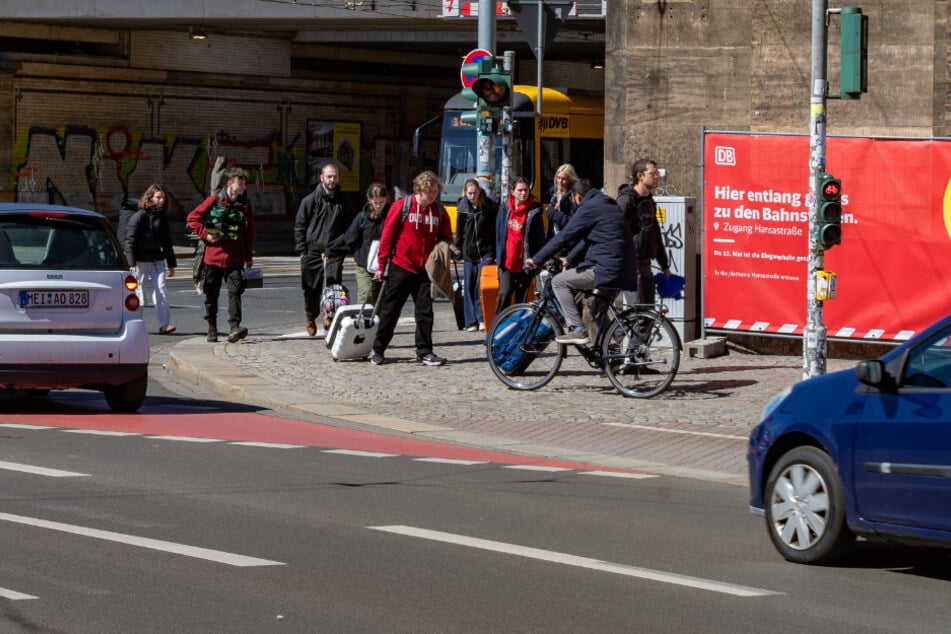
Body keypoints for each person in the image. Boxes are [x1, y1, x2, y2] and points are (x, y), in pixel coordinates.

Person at [525, 178, 636, 345]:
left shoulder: (589, 207)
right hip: (624, 268)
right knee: (594, 308)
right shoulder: (607, 203)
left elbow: (564, 236)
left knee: (559, 282)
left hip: (607, 268)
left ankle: (576, 329)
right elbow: (587, 239)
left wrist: (537, 259)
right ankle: (610, 351)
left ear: (577, 196)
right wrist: (569, 259)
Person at [369, 170, 453, 367]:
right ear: (419, 190)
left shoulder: (439, 211)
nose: (432, 195)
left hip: (424, 270)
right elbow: (387, 237)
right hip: (401, 266)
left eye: (435, 191)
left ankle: (424, 352)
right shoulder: (402, 206)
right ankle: (378, 349)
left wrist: (448, 251)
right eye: (429, 191)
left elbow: (446, 237)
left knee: (425, 312)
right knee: (391, 311)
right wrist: (381, 265)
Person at [186, 166, 255, 343]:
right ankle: (212, 327)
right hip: (213, 258)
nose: (244, 187)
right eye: (241, 183)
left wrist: (248, 256)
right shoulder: (214, 200)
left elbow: (249, 233)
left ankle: (235, 327)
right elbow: (192, 218)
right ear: (230, 183)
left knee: (235, 292)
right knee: (211, 295)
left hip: (235, 259)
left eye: (245, 184)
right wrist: (206, 235)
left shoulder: (245, 205)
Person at [294, 161, 355, 336]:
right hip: (312, 252)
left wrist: (342, 248)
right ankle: (310, 315)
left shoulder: (343, 202)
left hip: (334, 253)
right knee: (311, 289)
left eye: (335, 176)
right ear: (321, 177)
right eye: (329, 176)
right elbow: (300, 226)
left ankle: (331, 325)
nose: (332, 180)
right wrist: (302, 252)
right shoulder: (310, 201)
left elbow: (348, 229)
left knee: (334, 290)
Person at [123, 184, 177, 335]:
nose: (161, 200)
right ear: (150, 197)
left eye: (163, 197)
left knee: (161, 290)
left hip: (157, 260)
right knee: (138, 294)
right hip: (140, 261)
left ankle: (164, 325)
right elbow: (129, 240)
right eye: (158, 197)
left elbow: (167, 242)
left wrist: (171, 264)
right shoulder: (140, 216)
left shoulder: (162, 217)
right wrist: (130, 262)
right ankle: (136, 325)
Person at [616, 159, 671, 306]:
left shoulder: (649, 201)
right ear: (640, 176)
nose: (657, 176)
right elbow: (614, 231)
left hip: (646, 263)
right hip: (630, 263)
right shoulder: (626, 200)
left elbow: (656, 234)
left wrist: (664, 266)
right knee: (637, 311)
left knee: (648, 312)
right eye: (653, 173)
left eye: (657, 173)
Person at [326, 182, 390, 305]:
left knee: (383, 301)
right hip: (364, 266)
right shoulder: (363, 217)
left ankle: (380, 318)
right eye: (375, 202)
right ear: (369, 200)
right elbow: (349, 237)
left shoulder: (391, 216)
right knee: (366, 297)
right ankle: (364, 318)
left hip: (386, 267)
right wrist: (330, 251)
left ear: (386, 199)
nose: (378, 206)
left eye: (381, 202)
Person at [495, 176, 546, 314]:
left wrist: (538, 259)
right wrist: (498, 257)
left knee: (521, 298)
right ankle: (499, 323)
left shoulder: (534, 211)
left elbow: (539, 238)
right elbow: (498, 234)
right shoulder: (504, 208)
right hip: (507, 261)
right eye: (520, 190)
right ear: (512, 191)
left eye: (526, 190)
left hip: (525, 262)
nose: (523, 193)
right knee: (504, 293)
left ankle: (517, 325)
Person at [453, 178, 498, 332]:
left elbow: (495, 229)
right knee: (469, 286)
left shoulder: (489, 206)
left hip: (486, 252)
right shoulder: (463, 207)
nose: (472, 196)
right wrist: (457, 250)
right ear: (465, 193)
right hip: (469, 253)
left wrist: (496, 251)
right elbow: (459, 231)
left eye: (475, 193)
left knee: (481, 285)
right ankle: (470, 321)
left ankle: (482, 318)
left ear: (479, 192)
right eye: (470, 193)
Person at [545, 163, 578, 240]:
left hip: (567, 238)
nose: (560, 181)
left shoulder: (574, 196)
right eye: (558, 178)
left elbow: (573, 221)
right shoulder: (554, 193)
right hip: (554, 236)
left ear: (570, 179)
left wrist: (554, 214)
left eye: (564, 179)